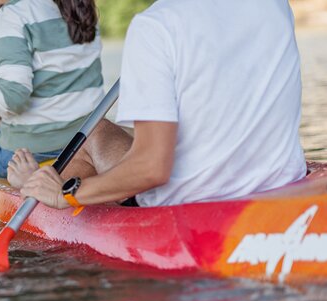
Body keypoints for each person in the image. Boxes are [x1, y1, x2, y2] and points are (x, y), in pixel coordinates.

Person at [16, 0, 307, 211]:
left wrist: (69, 193)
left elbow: (151, 168)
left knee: (96, 133)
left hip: (191, 202)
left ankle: (40, 186)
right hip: (279, 185)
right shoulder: (276, 6)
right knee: (118, 132)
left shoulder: (156, 26)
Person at [0, 0, 105, 181]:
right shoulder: (80, 7)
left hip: (23, 159)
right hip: (87, 143)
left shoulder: (11, 17)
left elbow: (12, 97)